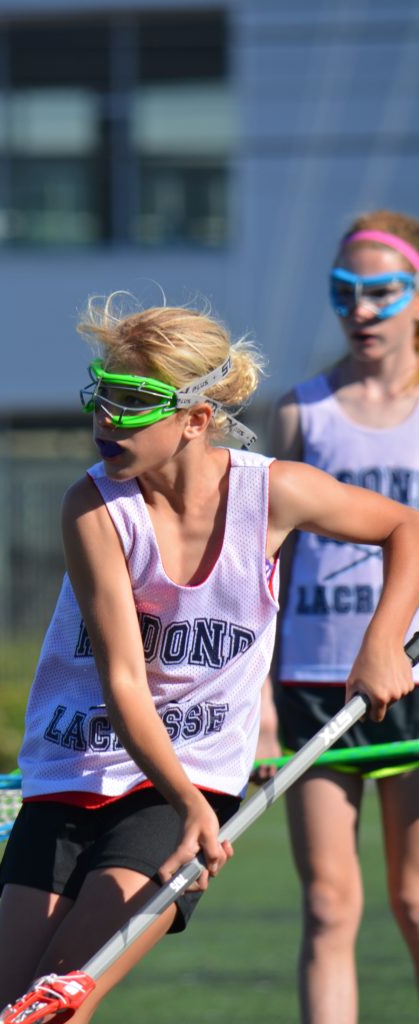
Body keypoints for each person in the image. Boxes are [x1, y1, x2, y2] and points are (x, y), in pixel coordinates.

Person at [0, 292, 419, 1024]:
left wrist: (381, 642)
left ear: (195, 419)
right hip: (74, 770)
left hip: (181, 784)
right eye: (102, 395)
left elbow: (406, 528)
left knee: (54, 1008)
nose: (106, 418)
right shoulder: (93, 508)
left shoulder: (271, 493)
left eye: (134, 403)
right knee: (7, 1019)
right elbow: (125, 681)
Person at [259, 210, 419, 1024]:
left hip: (411, 681)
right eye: (343, 291)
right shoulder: (301, 412)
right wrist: (258, 697)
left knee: (415, 899)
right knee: (327, 904)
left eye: (380, 292)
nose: (359, 309)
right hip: (313, 682)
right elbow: (265, 566)